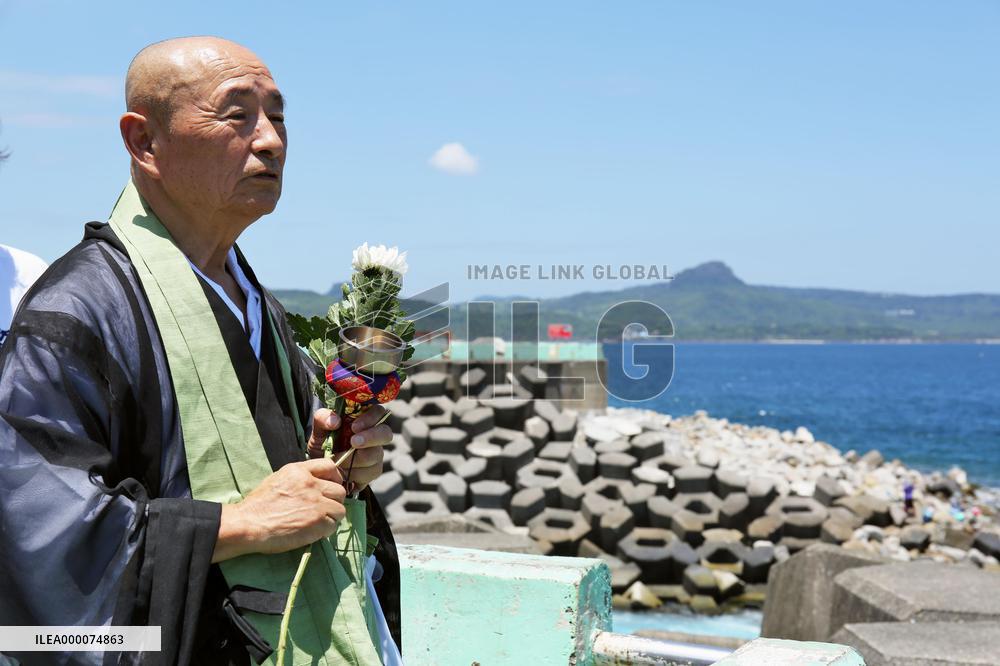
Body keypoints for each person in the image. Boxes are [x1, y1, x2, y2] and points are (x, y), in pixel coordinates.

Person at [0, 37, 400, 665]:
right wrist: (239, 525)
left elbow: (280, 487)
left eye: (277, 115)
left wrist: (333, 462)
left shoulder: (253, 299)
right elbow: (37, 533)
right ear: (144, 143)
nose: (270, 141)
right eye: (236, 115)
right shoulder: (77, 309)